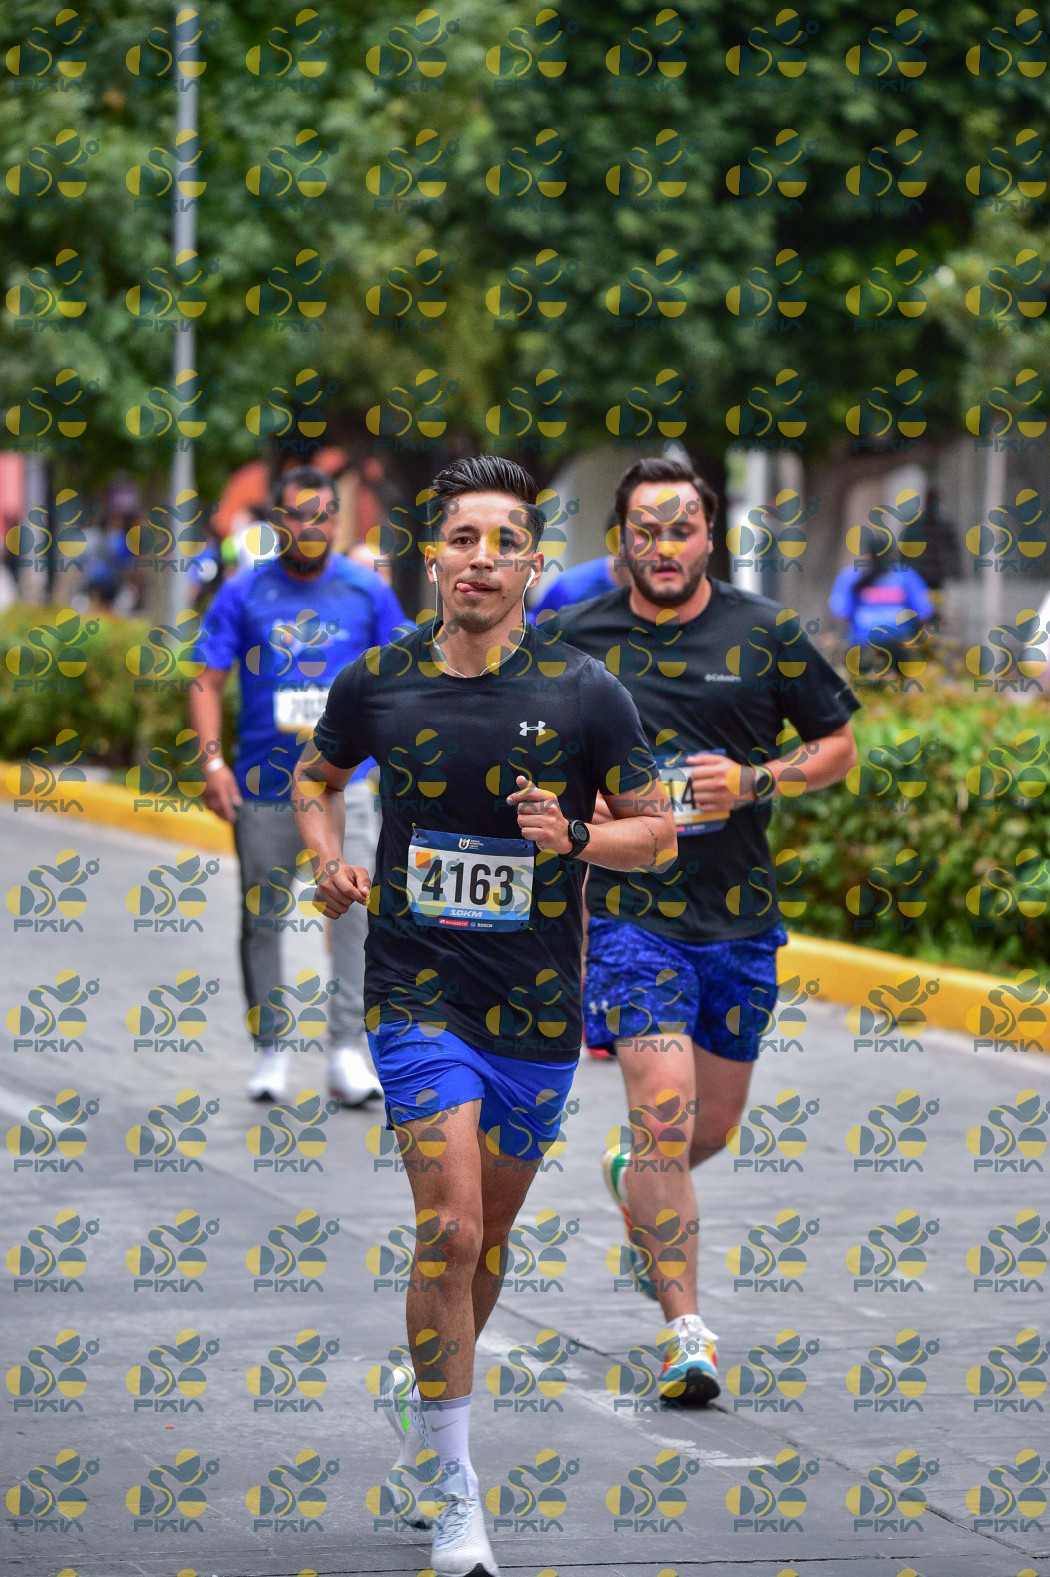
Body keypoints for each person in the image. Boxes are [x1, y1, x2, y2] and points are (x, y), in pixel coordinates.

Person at [293, 454, 674, 1577]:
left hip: (536, 1005)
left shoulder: (585, 692)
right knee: (450, 1229)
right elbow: (315, 777)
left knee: (487, 1242)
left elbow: (657, 832)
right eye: (463, 538)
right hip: (416, 989)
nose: (481, 560)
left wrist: (578, 836)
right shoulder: (378, 681)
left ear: (533, 566)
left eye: (505, 543)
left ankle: (429, 1409)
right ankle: (456, 1485)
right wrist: (326, 860)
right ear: (433, 557)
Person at [556, 454, 859, 1407]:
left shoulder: (764, 632)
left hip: (738, 919)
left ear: (709, 537)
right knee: (664, 1113)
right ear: (621, 541)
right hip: (631, 915)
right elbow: (530, 741)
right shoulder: (575, 639)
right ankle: (685, 1331)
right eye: (645, 531)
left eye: (680, 529)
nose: (664, 547)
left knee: (708, 1130)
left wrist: (757, 779)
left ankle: (637, 1176)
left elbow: (838, 745)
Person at [188, 465, 406, 1106]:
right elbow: (205, 679)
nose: (311, 526)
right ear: (277, 520)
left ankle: (346, 1050)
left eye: (323, 515)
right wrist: (212, 764)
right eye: (298, 515)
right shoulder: (244, 591)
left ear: (338, 520)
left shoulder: (367, 591)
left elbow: (402, 678)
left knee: (356, 914)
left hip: (347, 788)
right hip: (264, 787)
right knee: (262, 918)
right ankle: (271, 1049)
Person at [828, 537, 933, 672]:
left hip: (898, 645)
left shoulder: (905, 575)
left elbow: (924, 612)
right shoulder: (852, 576)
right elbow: (840, 612)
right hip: (863, 645)